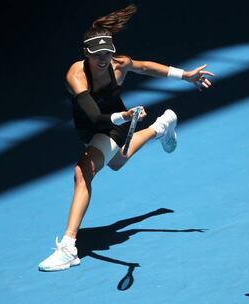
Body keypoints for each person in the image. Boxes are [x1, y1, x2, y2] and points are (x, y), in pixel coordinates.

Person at [38, 3, 214, 271]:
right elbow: (95, 118)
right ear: (86, 52)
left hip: (115, 123)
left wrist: (185, 76)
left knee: (82, 173)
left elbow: (145, 67)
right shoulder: (75, 76)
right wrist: (126, 115)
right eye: (97, 54)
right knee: (118, 162)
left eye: (107, 52)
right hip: (95, 123)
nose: (102, 59)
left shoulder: (120, 64)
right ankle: (161, 126)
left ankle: (68, 248)